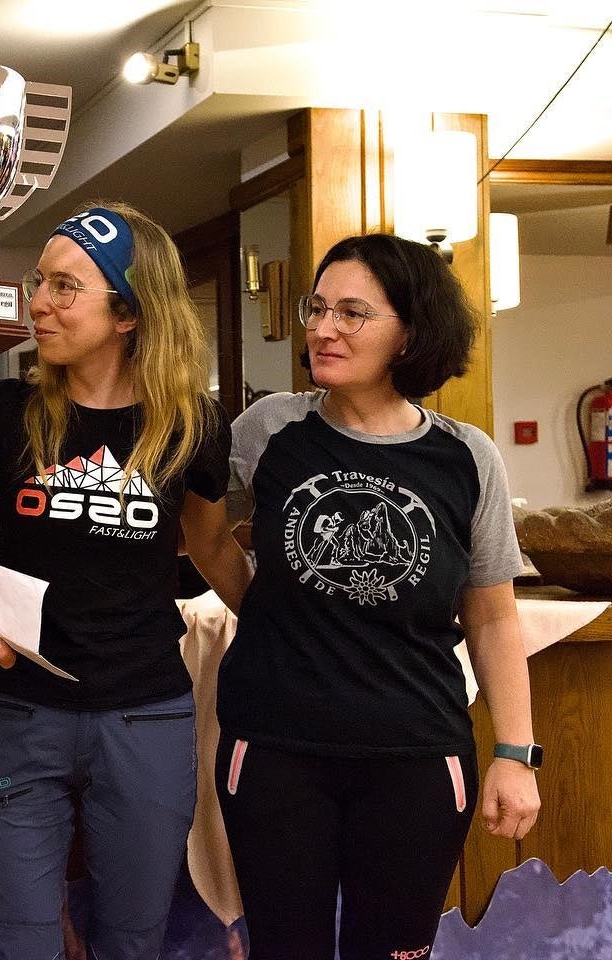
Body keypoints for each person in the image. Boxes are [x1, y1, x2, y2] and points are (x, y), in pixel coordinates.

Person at [0, 201, 252, 959]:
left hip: (147, 718)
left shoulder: (192, 425)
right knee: (18, 945)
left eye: (65, 287)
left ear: (129, 312)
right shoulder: (5, 411)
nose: (37, 301)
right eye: (40, 281)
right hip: (17, 715)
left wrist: (287, 628)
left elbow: (209, 547)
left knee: (132, 944)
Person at [215, 232, 541, 959]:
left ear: (412, 332)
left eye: (353, 312)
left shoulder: (467, 455)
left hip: (417, 761)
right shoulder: (267, 429)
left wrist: (516, 752)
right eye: (318, 307)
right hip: (274, 751)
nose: (323, 328)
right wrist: (266, 608)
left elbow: (491, 615)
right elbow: (203, 534)